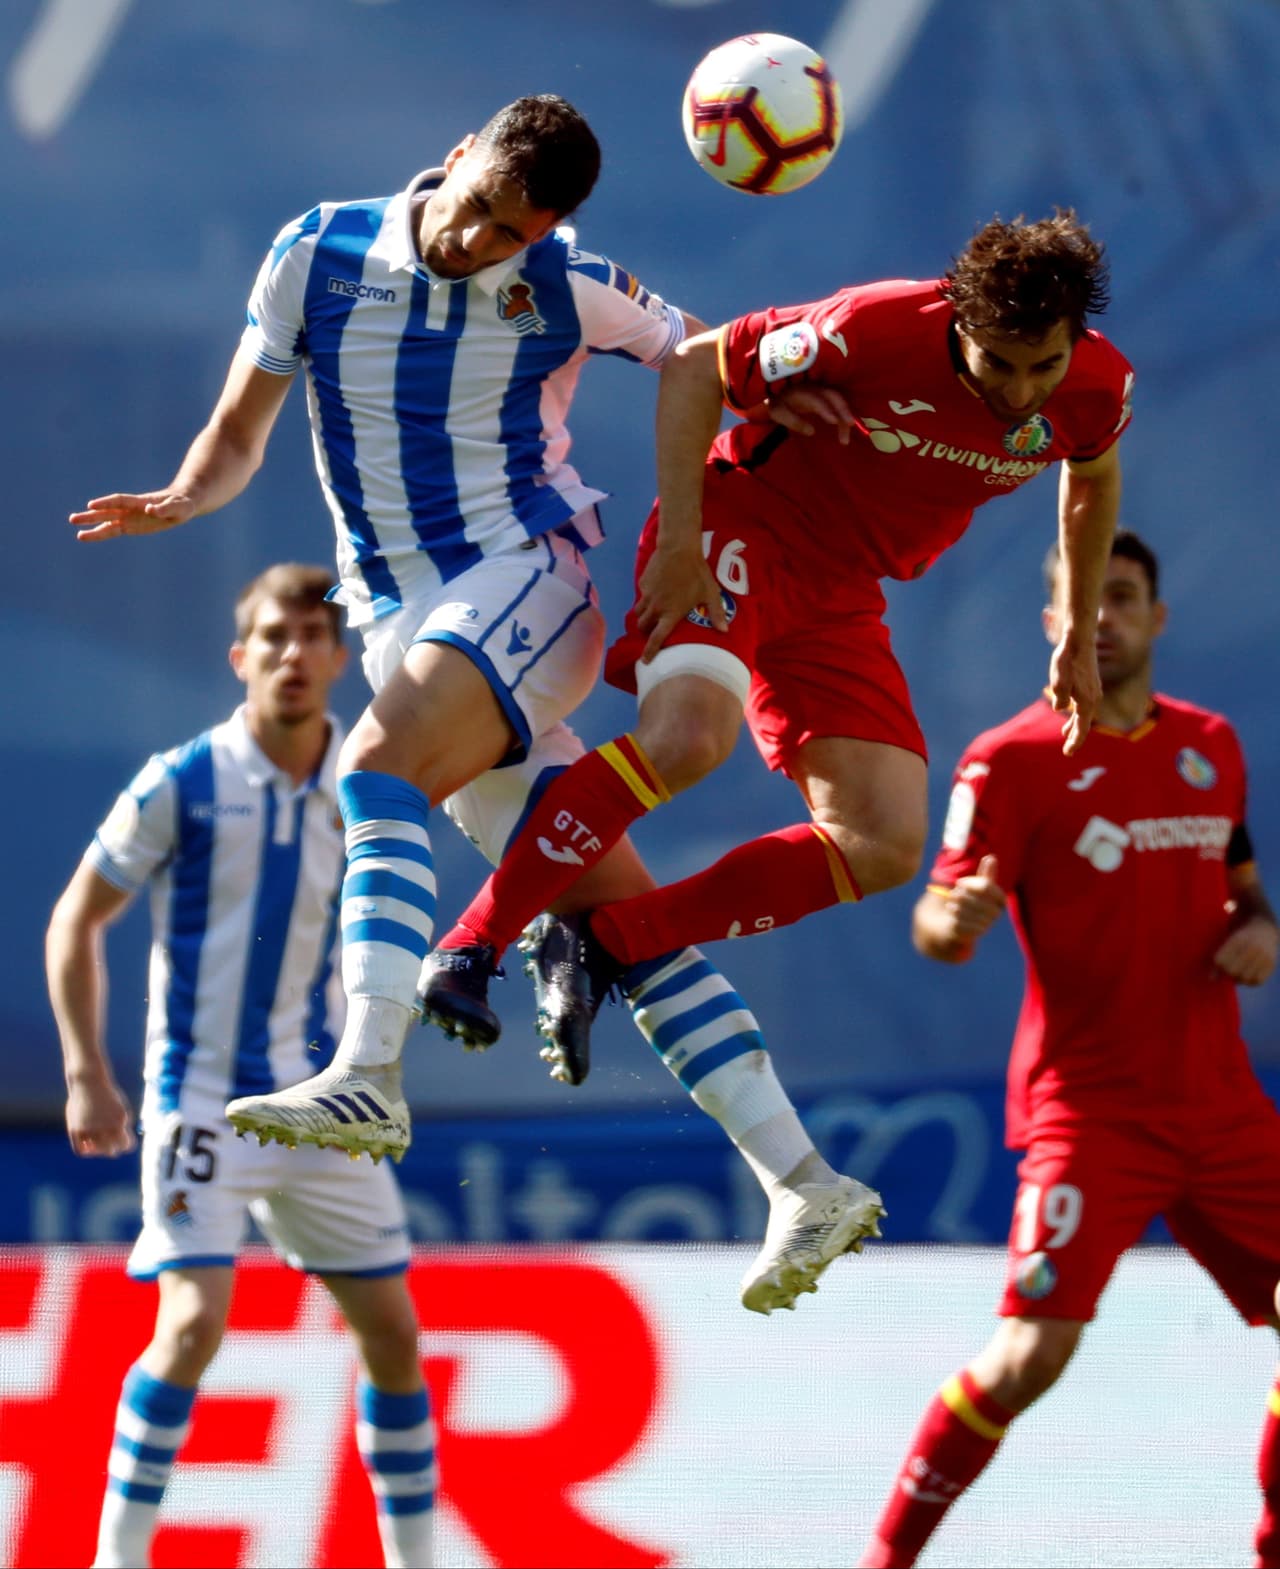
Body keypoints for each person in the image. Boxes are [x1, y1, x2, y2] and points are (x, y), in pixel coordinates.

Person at [69, 95, 884, 1315]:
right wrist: (187, 494)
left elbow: (700, 357)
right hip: (404, 624)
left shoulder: (566, 283)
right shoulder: (316, 251)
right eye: (478, 211)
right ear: (453, 158)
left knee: (374, 769)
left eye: (513, 234)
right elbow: (239, 431)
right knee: (618, 922)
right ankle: (804, 1181)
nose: (479, 244)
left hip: (526, 580)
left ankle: (366, 1067)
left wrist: (780, 395)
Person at [421, 209, 1134, 1066]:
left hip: (841, 591)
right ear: (959, 320)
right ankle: (470, 946)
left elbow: (1092, 478)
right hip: (743, 524)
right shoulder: (872, 325)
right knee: (688, 739)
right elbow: (697, 365)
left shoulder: (1098, 386)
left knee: (881, 842)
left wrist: (1076, 631)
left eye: (1044, 366)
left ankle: (605, 940)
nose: (1021, 392)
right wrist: (680, 542)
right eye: (999, 364)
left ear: (1075, 338)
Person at [855, 530, 1280, 1568]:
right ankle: (884, 1560)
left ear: (1156, 616)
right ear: (1051, 621)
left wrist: (1259, 927)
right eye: (1082, 599)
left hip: (1221, 1107)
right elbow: (937, 914)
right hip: (1091, 1113)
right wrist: (950, 922)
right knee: (1028, 1356)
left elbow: (1242, 886)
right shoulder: (1010, 758)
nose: (1101, 618)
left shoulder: (1209, 745)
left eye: (1120, 595)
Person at [44, 564, 434, 1569]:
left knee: (394, 1338)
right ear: (240, 656)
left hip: (324, 1107)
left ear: (341, 658)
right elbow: (76, 919)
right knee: (192, 1324)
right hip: (203, 1102)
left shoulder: (370, 778)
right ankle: (119, 1558)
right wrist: (87, 1071)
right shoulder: (183, 781)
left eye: (312, 636)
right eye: (272, 637)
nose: (292, 654)